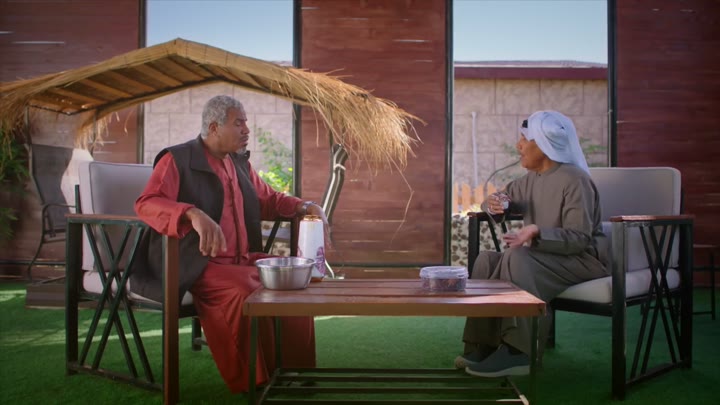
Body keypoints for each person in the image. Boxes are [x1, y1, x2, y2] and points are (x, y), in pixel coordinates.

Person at [130, 95, 327, 393]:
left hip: (242, 260)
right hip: (196, 264)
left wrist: (305, 205)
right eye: (239, 123)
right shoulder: (177, 159)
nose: (247, 130)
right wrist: (191, 213)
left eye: (246, 123)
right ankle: (257, 381)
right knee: (244, 292)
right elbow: (146, 203)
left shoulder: (239, 163)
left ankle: (295, 369)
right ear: (214, 127)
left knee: (292, 283)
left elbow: (269, 199)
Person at [456, 110, 609, 377]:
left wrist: (537, 232)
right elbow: (493, 200)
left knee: (517, 256)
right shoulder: (528, 181)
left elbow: (579, 239)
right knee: (487, 260)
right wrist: (495, 204)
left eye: (524, 139)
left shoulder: (576, 180)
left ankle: (520, 352)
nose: (518, 145)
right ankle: (483, 345)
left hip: (583, 260)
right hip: (546, 259)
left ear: (544, 144)